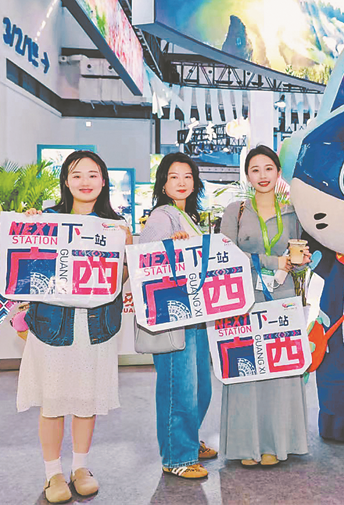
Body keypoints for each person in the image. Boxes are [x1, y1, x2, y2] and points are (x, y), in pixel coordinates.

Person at [17, 150, 132, 503]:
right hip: (52, 324)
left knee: (86, 399)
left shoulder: (117, 226)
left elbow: (123, 277)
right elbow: (27, 266)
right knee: (52, 401)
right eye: (77, 174)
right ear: (66, 181)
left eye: (93, 174)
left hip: (95, 325)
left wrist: (117, 266)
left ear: (103, 181)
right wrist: (28, 226)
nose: (85, 181)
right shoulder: (47, 220)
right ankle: (52, 474)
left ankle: (80, 467)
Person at [219, 145, 310, 466]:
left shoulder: (294, 212)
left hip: (282, 297)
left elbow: (299, 257)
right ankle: (247, 445)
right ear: (247, 175)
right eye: (255, 170)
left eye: (268, 168)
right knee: (246, 369)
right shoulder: (236, 211)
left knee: (279, 369)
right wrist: (273, 261)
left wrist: (301, 261)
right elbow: (225, 255)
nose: (262, 175)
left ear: (278, 172)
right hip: (245, 299)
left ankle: (276, 443)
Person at [139, 152, 217, 479]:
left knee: (200, 388)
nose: (181, 182)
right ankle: (177, 456)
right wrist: (169, 245)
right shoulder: (162, 216)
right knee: (178, 388)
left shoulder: (189, 216)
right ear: (163, 183)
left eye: (187, 176)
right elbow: (145, 260)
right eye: (174, 176)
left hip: (194, 314)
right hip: (173, 317)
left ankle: (187, 440)